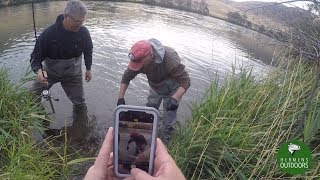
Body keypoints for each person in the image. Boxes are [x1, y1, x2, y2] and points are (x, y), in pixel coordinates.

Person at [117, 39, 190, 142]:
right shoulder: (139, 59)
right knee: (149, 111)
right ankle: (148, 135)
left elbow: (186, 81)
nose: (139, 67)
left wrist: (175, 98)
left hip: (173, 90)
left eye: (140, 63)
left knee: (168, 121)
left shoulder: (170, 59)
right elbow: (126, 77)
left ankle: (167, 142)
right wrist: (121, 98)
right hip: (155, 87)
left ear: (150, 54)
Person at [30, 0, 93, 110]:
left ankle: (79, 125)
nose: (80, 25)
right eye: (77, 22)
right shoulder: (48, 34)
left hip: (73, 74)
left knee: (80, 104)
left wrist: (88, 69)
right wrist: (39, 71)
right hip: (50, 73)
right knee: (31, 96)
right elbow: (35, 57)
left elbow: (88, 50)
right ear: (66, 16)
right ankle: (39, 116)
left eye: (82, 22)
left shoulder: (83, 32)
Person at [84, 127, 186, 180]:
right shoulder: (134, 137)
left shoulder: (140, 137)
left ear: (135, 134)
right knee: (137, 151)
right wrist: (128, 145)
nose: (131, 137)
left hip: (142, 145)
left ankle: (139, 163)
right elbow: (131, 140)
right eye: (131, 136)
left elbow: (144, 144)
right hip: (139, 145)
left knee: (141, 154)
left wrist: (143, 149)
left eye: (132, 136)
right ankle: (137, 160)